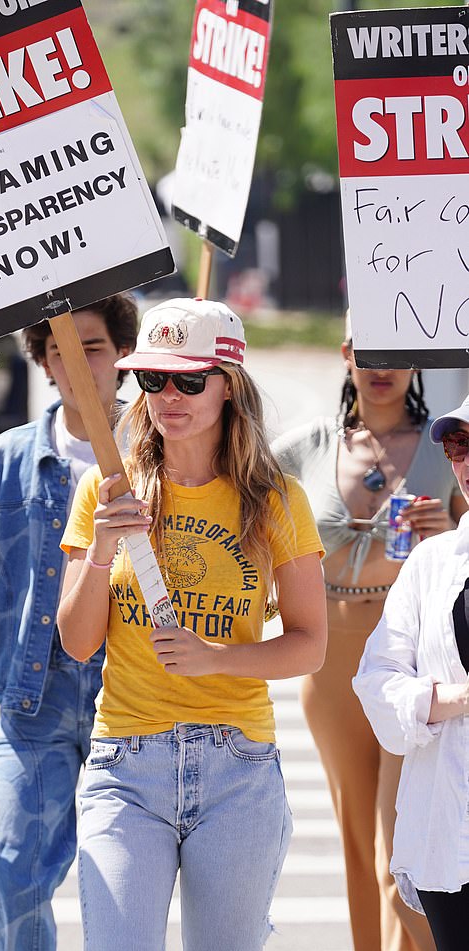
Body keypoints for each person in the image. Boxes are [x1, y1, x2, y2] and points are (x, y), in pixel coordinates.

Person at [57, 297, 327, 951]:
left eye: (187, 378)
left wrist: (216, 656)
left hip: (237, 768)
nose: (167, 395)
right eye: (151, 378)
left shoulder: (275, 499)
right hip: (127, 765)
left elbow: (310, 643)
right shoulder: (106, 488)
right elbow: (76, 640)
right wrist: (100, 548)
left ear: (227, 385)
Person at [0, 295, 138, 950]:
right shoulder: (6, 460)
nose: (77, 361)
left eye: (92, 345)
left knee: (123, 898)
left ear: (120, 354)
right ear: (42, 361)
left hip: (126, 711)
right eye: (60, 349)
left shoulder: (156, 454)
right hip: (31, 712)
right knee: (7, 882)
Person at [271, 316, 466, 951]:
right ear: (346, 352)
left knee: (396, 843)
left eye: (399, 352)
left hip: (415, 653)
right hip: (329, 661)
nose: (381, 366)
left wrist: (446, 532)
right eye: (368, 350)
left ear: (419, 363)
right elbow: (238, 507)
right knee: (358, 840)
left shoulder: (448, 447)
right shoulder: (307, 446)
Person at [353, 394, 469, 951]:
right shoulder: (433, 561)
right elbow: (377, 679)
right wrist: (450, 699)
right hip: (448, 834)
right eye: (458, 445)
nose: (466, 461)